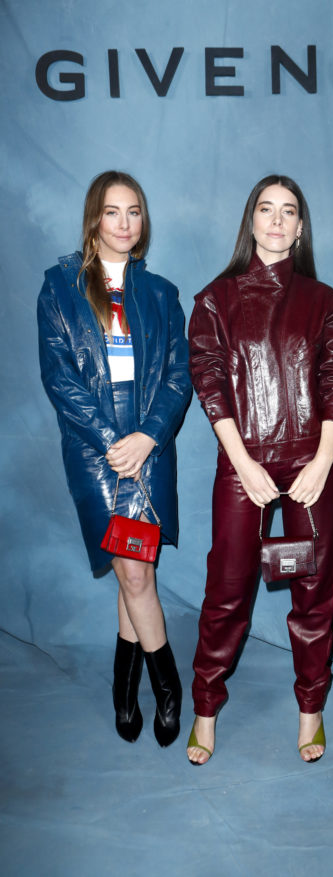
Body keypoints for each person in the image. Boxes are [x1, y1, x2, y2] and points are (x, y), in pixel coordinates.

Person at [187, 174, 333, 764]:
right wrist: (244, 463)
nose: (278, 220)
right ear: (251, 220)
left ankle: (311, 709)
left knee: (314, 589)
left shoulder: (326, 302)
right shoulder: (215, 300)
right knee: (228, 586)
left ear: (301, 227)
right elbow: (210, 382)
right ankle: (206, 708)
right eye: (267, 209)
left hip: (312, 464)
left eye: (289, 211)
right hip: (244, 465)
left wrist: (323, 460)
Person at [37, 171, 192, 747]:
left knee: (137, 571)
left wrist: (148, 436)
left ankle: (125, 688)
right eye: (112, 212)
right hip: (94, 449)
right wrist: (110, 440)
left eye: (134, 212)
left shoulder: (162, 293)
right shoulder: (60, 287)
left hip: (149, 446)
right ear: (94, 219)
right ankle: (170, 687)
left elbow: (179, 376)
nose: (124, 223)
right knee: (133, 571)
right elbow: (60, 378)